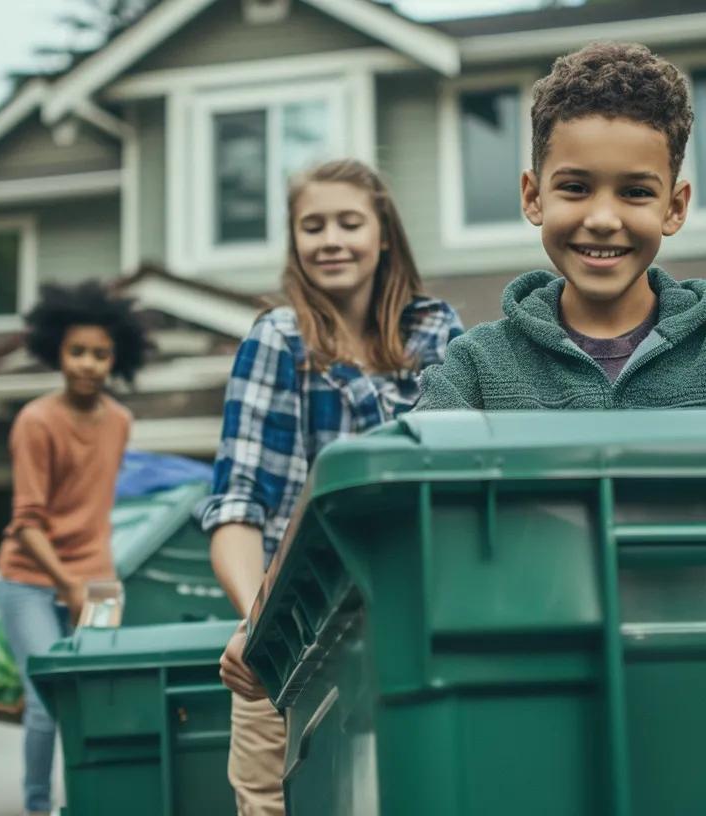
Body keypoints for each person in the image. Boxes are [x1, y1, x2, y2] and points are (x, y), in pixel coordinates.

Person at [197, 159, 463, 816]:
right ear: (295, 242)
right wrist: (262, 627)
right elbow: (238, 501)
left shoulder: (436, 334)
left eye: (350, 222)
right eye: (312, 226)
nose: (331, 240)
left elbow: (457, 472)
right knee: (276, 803)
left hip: (414, 618)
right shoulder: (277, 339)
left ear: (383, 235)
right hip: (299, 635)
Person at [416, 42, 706, 411]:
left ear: (674, 207)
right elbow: (414, 467)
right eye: (575, 188)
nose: (603, 219)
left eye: (635, 192)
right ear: (533, 197)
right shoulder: (476, 366)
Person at [0, 280, 148, 816]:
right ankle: (38, 806)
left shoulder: (122, 422)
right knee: (45, 705)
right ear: (56, 353)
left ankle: (93, 801)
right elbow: (26, 523)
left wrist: (94, 585)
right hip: (30, 580)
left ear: (116, 358)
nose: (88, 364)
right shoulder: (37, 421)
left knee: (99, 698)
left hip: (98, 577)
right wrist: (69, 587)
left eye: (100, 354)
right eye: (77, 352)